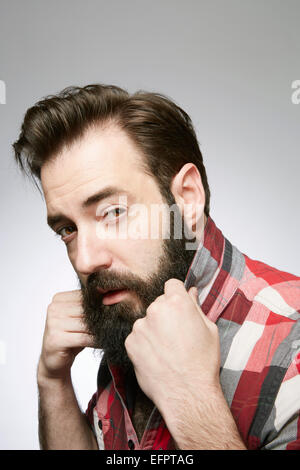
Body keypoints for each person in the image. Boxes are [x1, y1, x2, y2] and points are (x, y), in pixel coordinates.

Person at [13, 84, 300, 450]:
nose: (85, 260)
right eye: (68, 229)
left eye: (113, 212)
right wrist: (52, 381)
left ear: (188, 199)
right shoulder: (135, 304)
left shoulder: (292, 347)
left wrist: (191, 399)